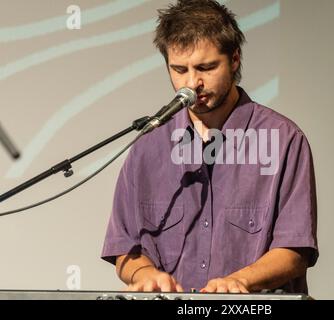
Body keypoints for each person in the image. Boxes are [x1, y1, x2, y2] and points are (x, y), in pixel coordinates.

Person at [101, 0, 318, 294]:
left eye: (206, 67)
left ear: (235, 59)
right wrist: (145, 273)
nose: (192, 83)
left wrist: (240, 280)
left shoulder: (284, 140)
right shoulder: (147, 147)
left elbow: (294, 251)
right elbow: (124, 248)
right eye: (179, 69)